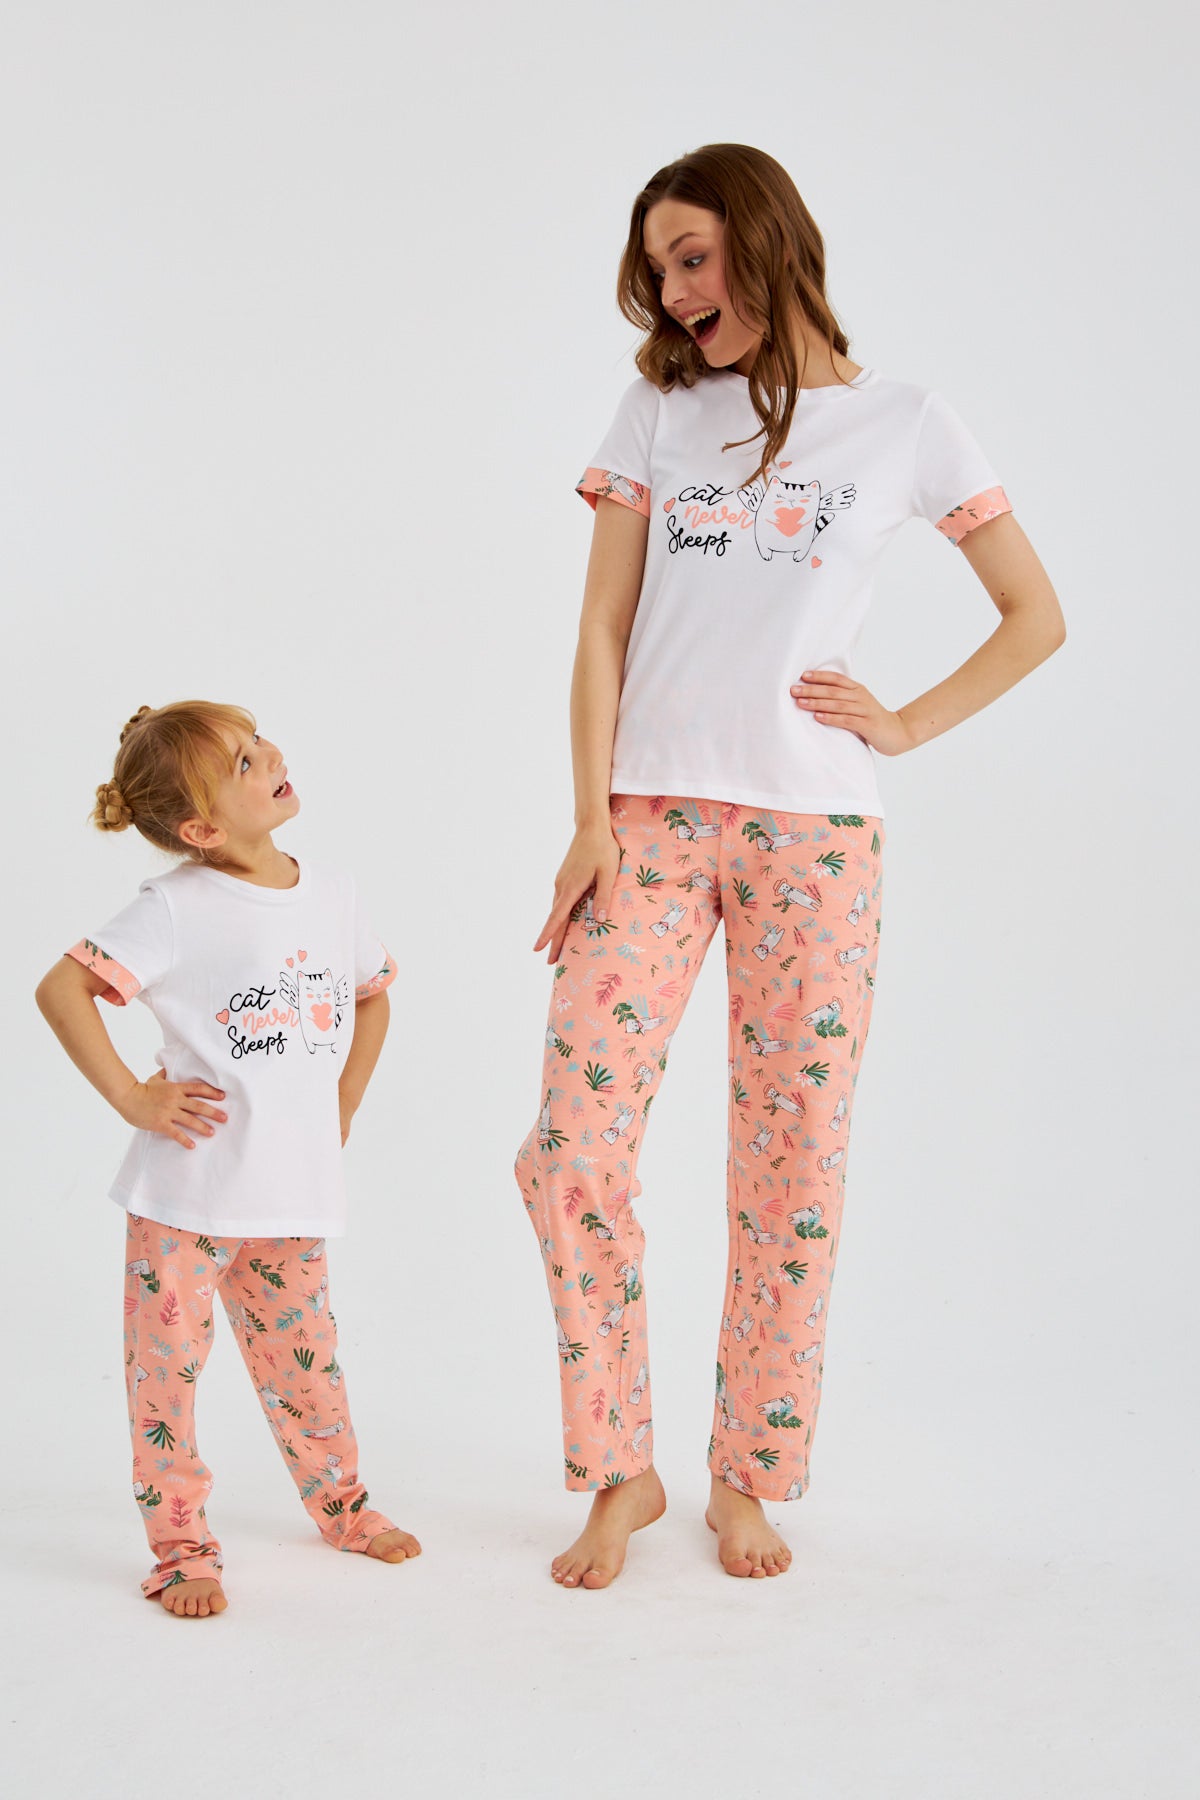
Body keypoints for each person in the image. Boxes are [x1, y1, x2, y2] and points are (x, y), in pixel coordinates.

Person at [514, 143, 1064, 1589]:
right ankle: (617, 1469)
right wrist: (588, 822)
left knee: (790, 1164)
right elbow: (599, 635)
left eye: (695, 257)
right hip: (646, 821)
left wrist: (904, 723)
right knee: (571, 1148)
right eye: (659, 268)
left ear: (765, 241)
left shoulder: (906, 424)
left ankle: (747, 1475)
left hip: (814, 834)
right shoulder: (656, 413)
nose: (677, 292)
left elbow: (1033, 615)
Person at [35, 701, 420, 1618]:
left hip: (291, 1194)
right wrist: (134, 1096)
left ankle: (342, 1506)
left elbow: (373, 998)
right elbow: (63, 988)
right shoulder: (173, 907)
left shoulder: (333, 894)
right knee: (167, 1379)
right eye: (244, 762)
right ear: (201, 828)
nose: (271, 757)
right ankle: (181, 1551)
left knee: (308, 1366)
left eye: (258, 742)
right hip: (185, 1199)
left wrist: (347, 1098)